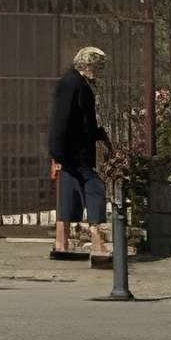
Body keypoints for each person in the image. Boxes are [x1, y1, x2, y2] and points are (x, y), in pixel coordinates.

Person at [48, 43, 112, 264]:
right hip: (74, 152)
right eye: (99, 67)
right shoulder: (73, 84)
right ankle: (98, 242)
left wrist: (98, 134)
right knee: (95, 187)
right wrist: (57, 153)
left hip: (71, 151)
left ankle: (61, 243)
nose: (100, 72)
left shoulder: (75, 83)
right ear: (89, 65)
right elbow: (61, 120)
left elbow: (80, 119)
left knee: (68, 190)